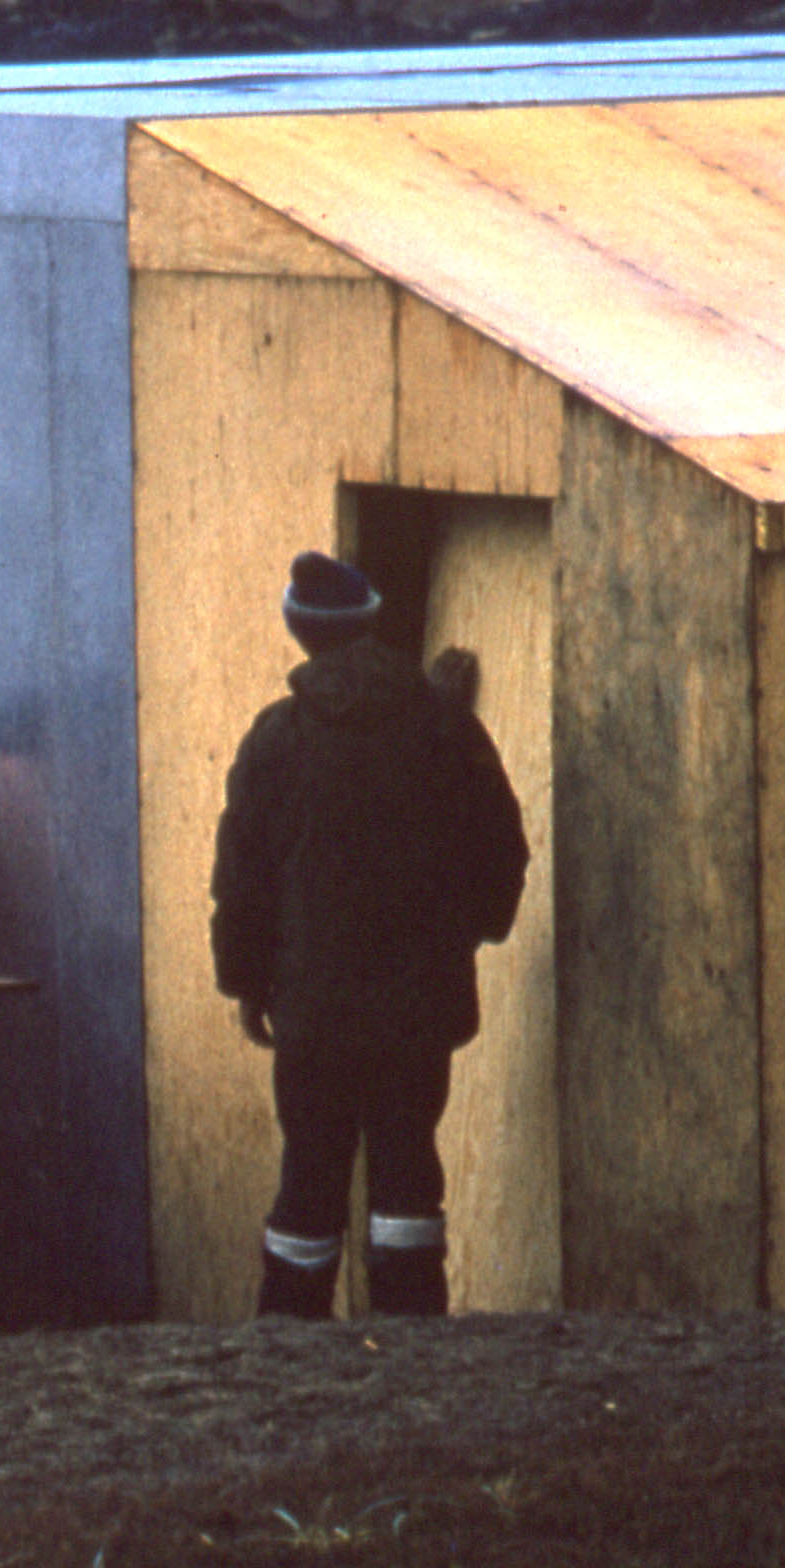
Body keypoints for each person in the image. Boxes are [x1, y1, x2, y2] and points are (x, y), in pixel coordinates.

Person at [210, 552, 529, 1319]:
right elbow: (501, 851)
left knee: (310, 1171)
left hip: (312, 1013)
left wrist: (248, 985)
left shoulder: (275, 741)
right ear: (372, 621)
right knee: (408, 1165)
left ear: (299, 633)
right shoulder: (447, 727)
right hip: (418, 1006)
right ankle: (412, 1338)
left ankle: (291, 1336)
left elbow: (241, 881)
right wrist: (472, 932)